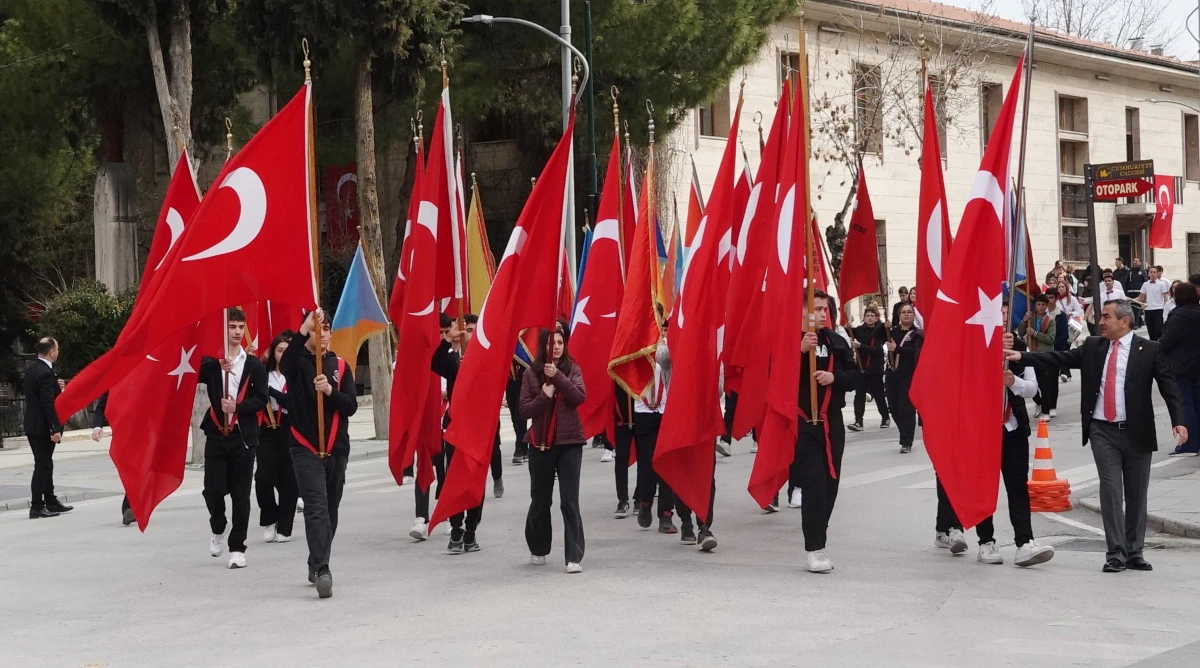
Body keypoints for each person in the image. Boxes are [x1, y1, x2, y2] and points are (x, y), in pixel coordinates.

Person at [1005, 299, 1187, 573]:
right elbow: (1060, 357)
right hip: (1103, 430)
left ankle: (1134, 550)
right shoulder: (1093, 347)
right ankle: (1115, 551)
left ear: (1124, 322)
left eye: (1106, 316)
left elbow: (1169, 385)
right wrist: (1023, 356)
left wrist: (1179, 421)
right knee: (1111, 489)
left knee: (1137, 494)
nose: (1100, 321)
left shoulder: (1149, 350)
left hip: (1137, 431)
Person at [935, 308, 1055, 567]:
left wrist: (1013, 382)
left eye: (1004, 315)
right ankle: (986, 541)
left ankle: (1025, 543)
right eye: (995, 314)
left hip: (1012, 428)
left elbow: (1033, 388)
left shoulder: (1020, 347)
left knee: (1017, 487)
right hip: (981, 431)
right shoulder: (971, 348)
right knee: (984, 488)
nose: (1000, 319)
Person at [281, 309, 357, 598]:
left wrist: (330, 391)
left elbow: (350, 405)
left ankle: (315, 561)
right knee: (316, 507)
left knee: (331, 508)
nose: (322, 334)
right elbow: (286, 362)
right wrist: (302, 330)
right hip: (304, 446)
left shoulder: (340, 365)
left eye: (326, 329)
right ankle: (324, 568)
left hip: (336, 447)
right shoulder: (296, 361)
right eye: (316, 329)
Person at [794, 291, 860, 573]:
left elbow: (857, 376)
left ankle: (820, 531)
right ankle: (815, 547)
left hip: (831, 423)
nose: (822, 314)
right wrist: (799, 352)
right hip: (803, 423)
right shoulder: (790, 341)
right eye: (817, 309)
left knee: (831, 484)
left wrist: (835, 377)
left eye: (825, 309)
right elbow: (774, 377)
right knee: (814, 484)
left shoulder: (836, 341)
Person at [199, 309, 268, 569]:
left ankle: (238, 547)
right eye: (232, 327)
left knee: (241, 494)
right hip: (216, 435)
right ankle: (219, 525)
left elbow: (261, 400)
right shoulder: (213, 362)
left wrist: (237, 408)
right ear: (223, 330)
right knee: (212, 490)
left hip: (243, 437)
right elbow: (192, 371)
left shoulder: (254, 365)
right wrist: (216, 364)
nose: (238, 332)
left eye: (241, 326)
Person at [520, 320, 588, 572]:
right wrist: (543, 397)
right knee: (540, 500)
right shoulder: (529, 373)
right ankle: (538, 547)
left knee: (569, 501)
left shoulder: (572, 369)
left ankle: (574, 556)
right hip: (540, 444)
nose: (557, 347)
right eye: (552, 343)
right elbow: (524, 409)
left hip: (570, 443)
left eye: (560, 343)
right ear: (543, 346)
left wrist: (557, 377)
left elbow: (579, 397)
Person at [632, 314, 678, 535]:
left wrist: (662, 340)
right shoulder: (637, 342)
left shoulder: (670, 344)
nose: (662, 328)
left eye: (664, 325)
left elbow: (665, 358)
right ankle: (645, 501)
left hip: (666, 409)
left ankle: (666, 514)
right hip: (644, 411)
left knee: (667, 462)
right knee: (648, 462)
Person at [257, 331, 299, 544]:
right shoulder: (263, 374)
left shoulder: (297, 375)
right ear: (273, 352)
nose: (283, 354)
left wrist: (272, 392)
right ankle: (269, 518)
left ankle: (285, 525)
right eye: (279, 350)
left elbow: (293, 402)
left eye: (287, 351)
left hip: (290, 429)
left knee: (289, 480)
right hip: (266, 429)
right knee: (263, 477)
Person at [24, 337, 70, 519]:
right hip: (42, 427)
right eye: (57, 349)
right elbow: (47, 404)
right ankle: (37, 505)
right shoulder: (45, 373)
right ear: (51, 351)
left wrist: (58, 388)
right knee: (42, 465)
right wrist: (55, 428)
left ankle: (50, 500)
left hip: (32, 424)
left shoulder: (33, 370)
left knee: (46, 463)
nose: (58, 352)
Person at [1160, 282, 1200, 456]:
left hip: (1180, 365)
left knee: (1185, 404)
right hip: (1197, 364)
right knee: (1197, 403)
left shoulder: (1178, 317)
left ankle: (1189, 442)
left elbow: (1166, 341)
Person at [90, 392, 135, 526]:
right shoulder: (115, 381)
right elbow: (101, 407)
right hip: (124, 434)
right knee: (132, 470)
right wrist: (98, 427)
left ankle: (131, 507)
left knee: (140, 470)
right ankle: (129, 507)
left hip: (144, 430)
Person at [887, 304, 922, 454]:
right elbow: (874, 336)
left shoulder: (917, 334)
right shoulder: (892, 331)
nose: (906, 315)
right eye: (903, 312)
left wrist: (897, 349)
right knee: (894, 408)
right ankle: (904, 432)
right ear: (899, 315)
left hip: (908, 375)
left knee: (906, 408)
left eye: (909, 312)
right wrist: (884, 326)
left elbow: (915, 353)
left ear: (914, 316)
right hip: (891, 374)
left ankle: (906, 441)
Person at [849, 307, 890, 432]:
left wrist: (860, 346)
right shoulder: (859, 330)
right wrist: (846, 325)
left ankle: (885, 417)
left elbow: (877, 350)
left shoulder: (880, 330)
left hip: (875, 369)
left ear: (876, 317)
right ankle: (858, 421)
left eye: (872, 315)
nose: (870, 318)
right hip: (861, 369)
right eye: (868, 315)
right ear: (864, 317)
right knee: (859, 395)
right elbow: (846, 332)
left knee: (878, 395)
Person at [1018, 294, 1059, 419]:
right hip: (1031, 354)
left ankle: (1045, 411)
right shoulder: (1031, 318)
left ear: (1046, 306)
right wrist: (1024, 321)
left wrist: (1035, 333)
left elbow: (1050, 340)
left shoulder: (1050, 320)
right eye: (1038, 304)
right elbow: (1021, 333)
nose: (1040, 307)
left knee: (1044, 384)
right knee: (1031, 382)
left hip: (1044, 355)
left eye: (1043, 305)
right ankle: (1040, 403)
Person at [611, 383, 635, 518]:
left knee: (645, 458)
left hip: (642, 415)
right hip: (621, 419)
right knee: (621, 457)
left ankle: (640, 497)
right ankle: (622, 500)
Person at [1136, 265, 1171, 341]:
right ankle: (1152, 348)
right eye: (1151, 272)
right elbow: (1141, 297)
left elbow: (1165, 297)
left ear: (1157, 273)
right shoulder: (1145, 284)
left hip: (1159, 309)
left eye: (1154, 272)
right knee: (1150, 330)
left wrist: (1166, 309)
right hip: (1148, 310)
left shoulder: (1161, 284)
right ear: (1148, 273)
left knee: (1158, 330)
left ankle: (1159, 346)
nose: (1153, 274)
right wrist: (1130, 300)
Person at [506, 358, 529, 465]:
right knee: (514, 418)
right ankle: (524, 448)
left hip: (524, 380)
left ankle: (519, 448)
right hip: (510, 380)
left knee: (519, 416)